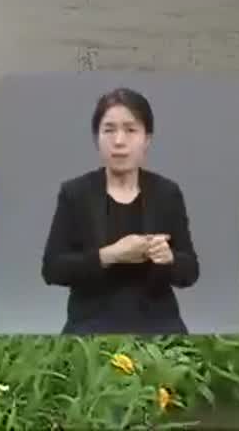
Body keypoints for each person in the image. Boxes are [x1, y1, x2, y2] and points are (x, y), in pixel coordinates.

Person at [40, 87, 199, 334]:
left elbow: (190, 272)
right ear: (96, 138)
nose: (119, 141)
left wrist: (169, 258)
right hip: (90, 320)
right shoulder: (75, 193)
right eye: (109, 130)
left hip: (158, 320)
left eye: (131, 130)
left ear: (147, 139)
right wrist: (111, 254)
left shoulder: (167, 193)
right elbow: (52, 269)